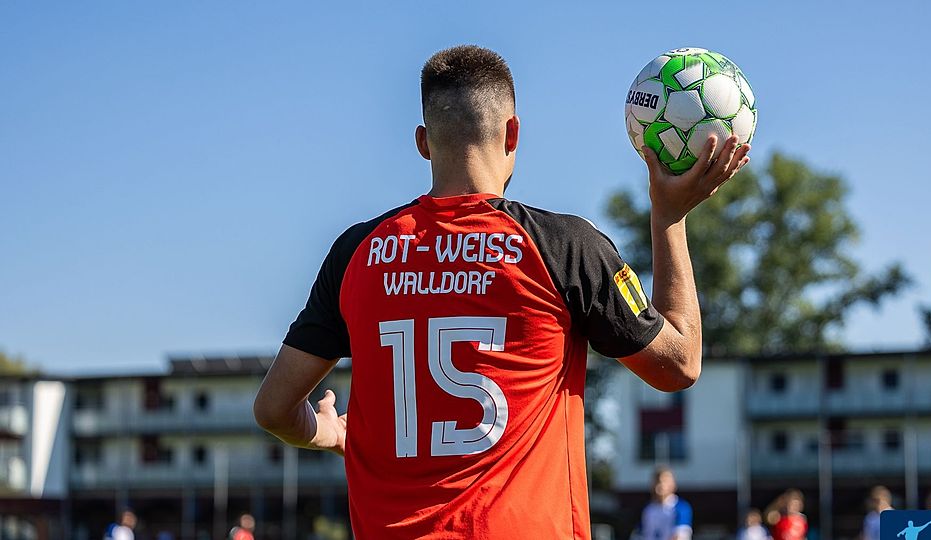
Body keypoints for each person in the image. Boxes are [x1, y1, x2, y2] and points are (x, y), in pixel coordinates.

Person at [254, 45, 749, 539]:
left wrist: (329, 431)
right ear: (513, 132)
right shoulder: (565, 248)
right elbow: (679, 364)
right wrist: (670, 218)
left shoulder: (356, 253)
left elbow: (274, 409)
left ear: (423, 142)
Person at [629, 467, 693, 540]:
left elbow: (680, 535)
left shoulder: (681, 508)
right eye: (657, 481)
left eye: (664, 481)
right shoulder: (647, 509)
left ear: (673, 484)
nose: (660, 485)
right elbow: (640, 533)